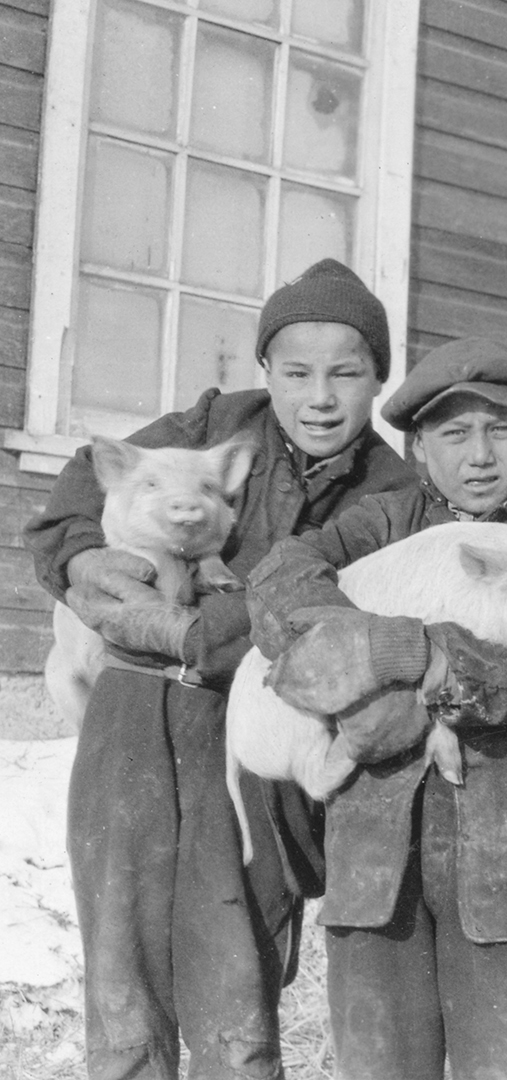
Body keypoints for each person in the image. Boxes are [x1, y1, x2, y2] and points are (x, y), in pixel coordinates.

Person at [24, 258, 415, 1079]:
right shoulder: (213, 424)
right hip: (134, 710)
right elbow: (83, 485)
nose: (319, 398)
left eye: (346, 374)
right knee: (122, 932)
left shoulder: (392, 491)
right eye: (297, 373)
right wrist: (86, 558)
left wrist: (192, 632)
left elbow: (329, 615)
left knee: (238, 945)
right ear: (265, 370)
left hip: (254, 729)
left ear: (378, 378)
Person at [245, 337, 507, 1080]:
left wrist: (395, 654)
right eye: (454, 433)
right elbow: (279, 578)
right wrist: (369, 643)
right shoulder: (380, 523)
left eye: (501, 429)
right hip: (377, 868)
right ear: (418, 448)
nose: (479, 455)